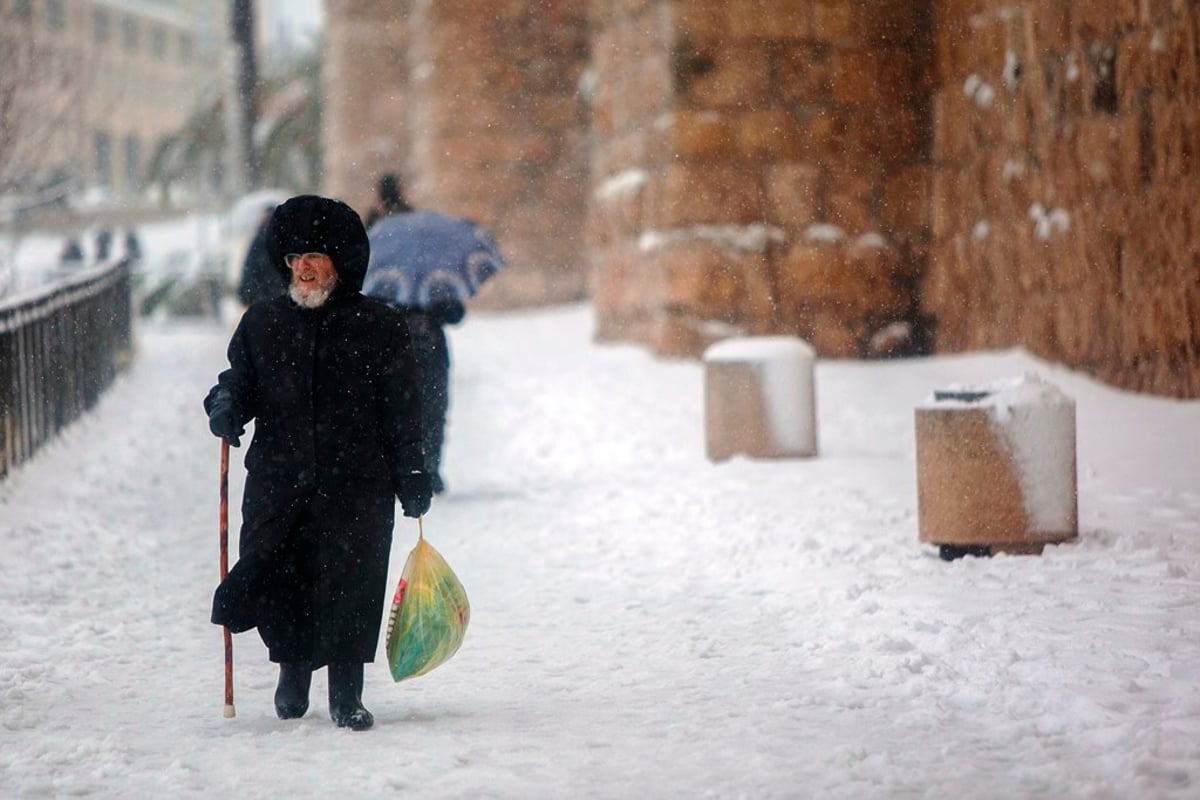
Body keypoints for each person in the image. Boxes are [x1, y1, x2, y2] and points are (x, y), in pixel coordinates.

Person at [203, 195, 432, 731]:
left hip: (356, 482)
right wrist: (225, 405)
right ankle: (292, 672)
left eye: (315, 257)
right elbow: (240, 380)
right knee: (283, 577)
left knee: (352, 582)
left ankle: (347, 693)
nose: (303, 267)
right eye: (295, 258)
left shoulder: (380, 327)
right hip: (279, 480)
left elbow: (404, 410)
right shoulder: (262, 322)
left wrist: (412, 472)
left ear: (340, 263)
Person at [364, 174, 462, 494]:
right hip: (427, 345)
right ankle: (428, 469)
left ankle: (403, 470)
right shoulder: (426, 247)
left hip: (388, 347)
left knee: (393, 409)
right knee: (430, 410)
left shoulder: (369, 244)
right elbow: (455, 311)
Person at [236, 204, 286, 305]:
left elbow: (250, 267)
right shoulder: (285, 238)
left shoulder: (259, 238)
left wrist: (247, 292)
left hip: (263, 296)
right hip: (277, 294)